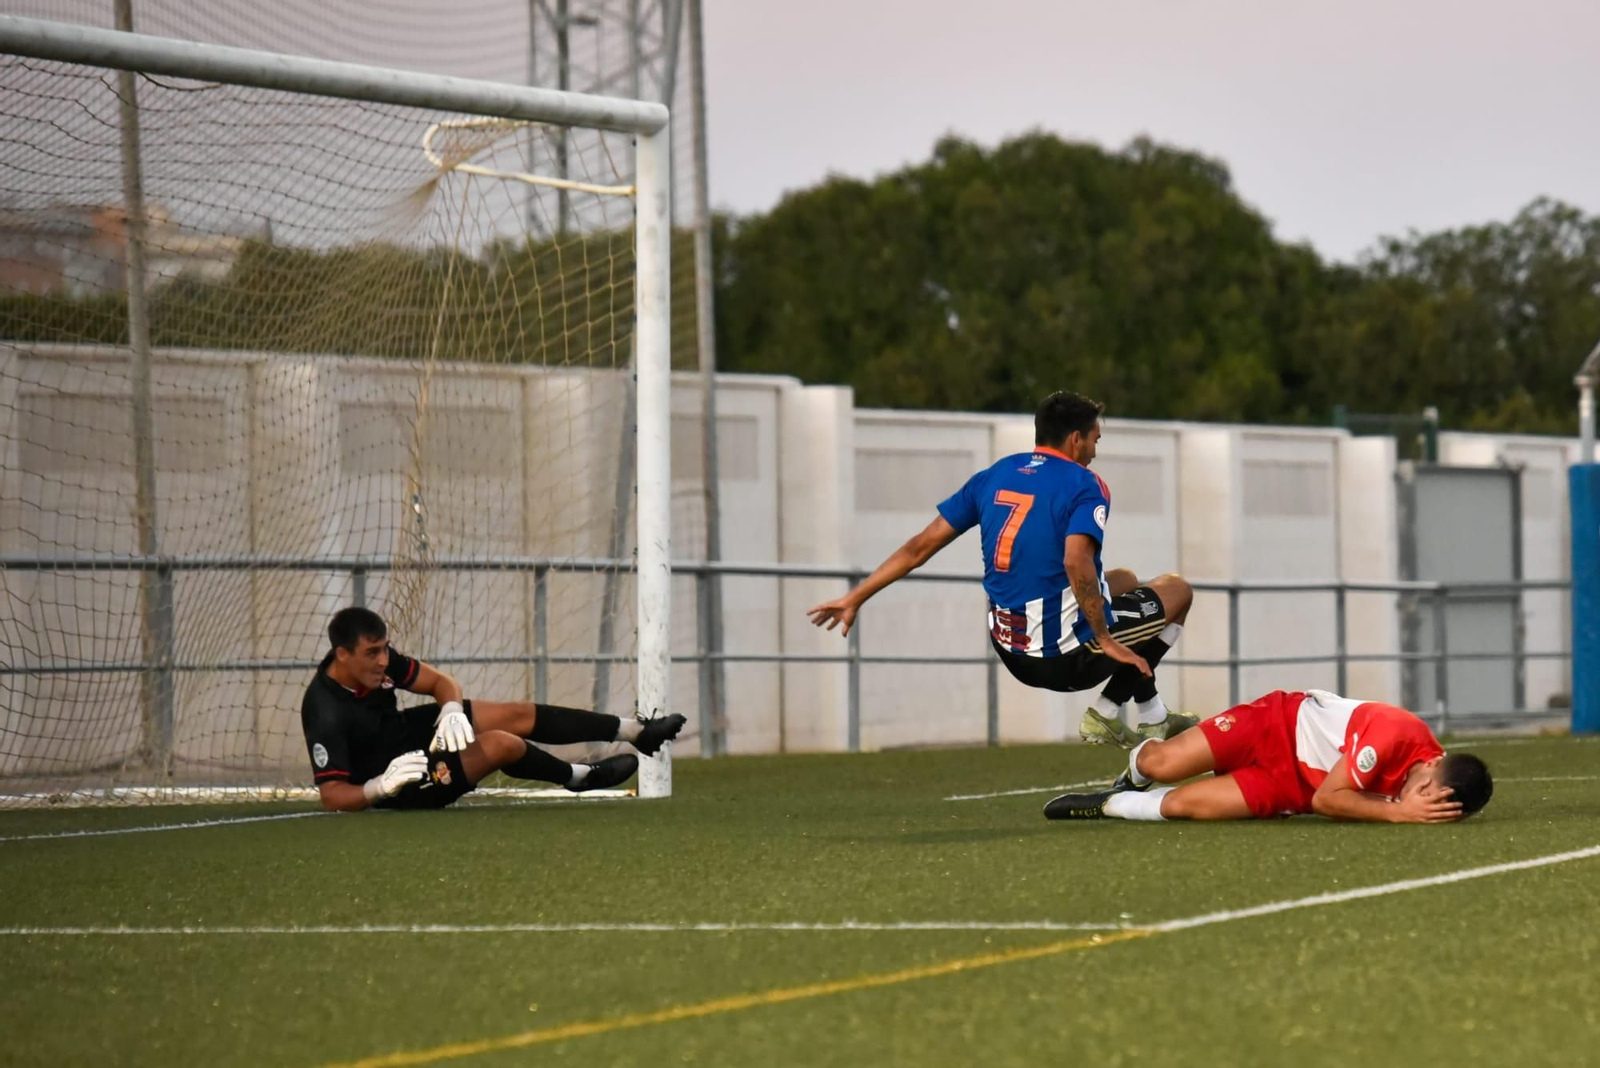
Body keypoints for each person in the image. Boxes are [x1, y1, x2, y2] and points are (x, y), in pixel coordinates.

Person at [807, 390, 1196, 746]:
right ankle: (1109, 712)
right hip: (1063, 657)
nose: (1095, 450)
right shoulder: (1086, 484)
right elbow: (1076, 560)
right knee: (1177, 591)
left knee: (1124, 580)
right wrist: (1105, 638)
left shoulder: (994, 475)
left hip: (1010, 651)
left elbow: (918, 547)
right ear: (1075, 439)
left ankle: (1154, 714)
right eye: (1095, 439)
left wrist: (854, 597)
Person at [301, 606, 686, 811]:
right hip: (403, 781)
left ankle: (635, 731)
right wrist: (379, 787)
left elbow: (439, 683)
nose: (384, 660)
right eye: (373, 653)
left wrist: (451, 707)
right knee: (503, 743)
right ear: (342, 655)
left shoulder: (379, 663)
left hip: (405, 733)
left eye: (385, 648)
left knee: (514, 713)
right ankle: (579, 777)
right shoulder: (323, 709)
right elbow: (333, 795)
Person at [1043, 688, 1494, 823]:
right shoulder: (1395, 735)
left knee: (1183, 805)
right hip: (1275, 724)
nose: (1416, 798)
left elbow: (1314, 797)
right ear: (1435, 762)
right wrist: (1399, 814)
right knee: (1162, 766)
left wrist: (1411, 808)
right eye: (1422, 791)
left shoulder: (1436, 778)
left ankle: (1107, 805)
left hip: (1292, 786)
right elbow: (1329, 801)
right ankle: (1137, 769)